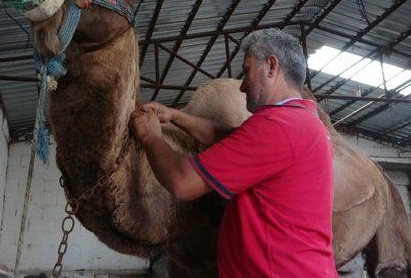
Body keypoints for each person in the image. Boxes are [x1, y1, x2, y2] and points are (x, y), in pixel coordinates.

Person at [130, 28, 337, 278]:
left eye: (247, 70)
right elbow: (231, 138)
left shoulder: (278, 126)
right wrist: (175, 117)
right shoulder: (303, 121)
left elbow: (182, 182)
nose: (242, 85)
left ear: (271, 66)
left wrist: (150, 136)